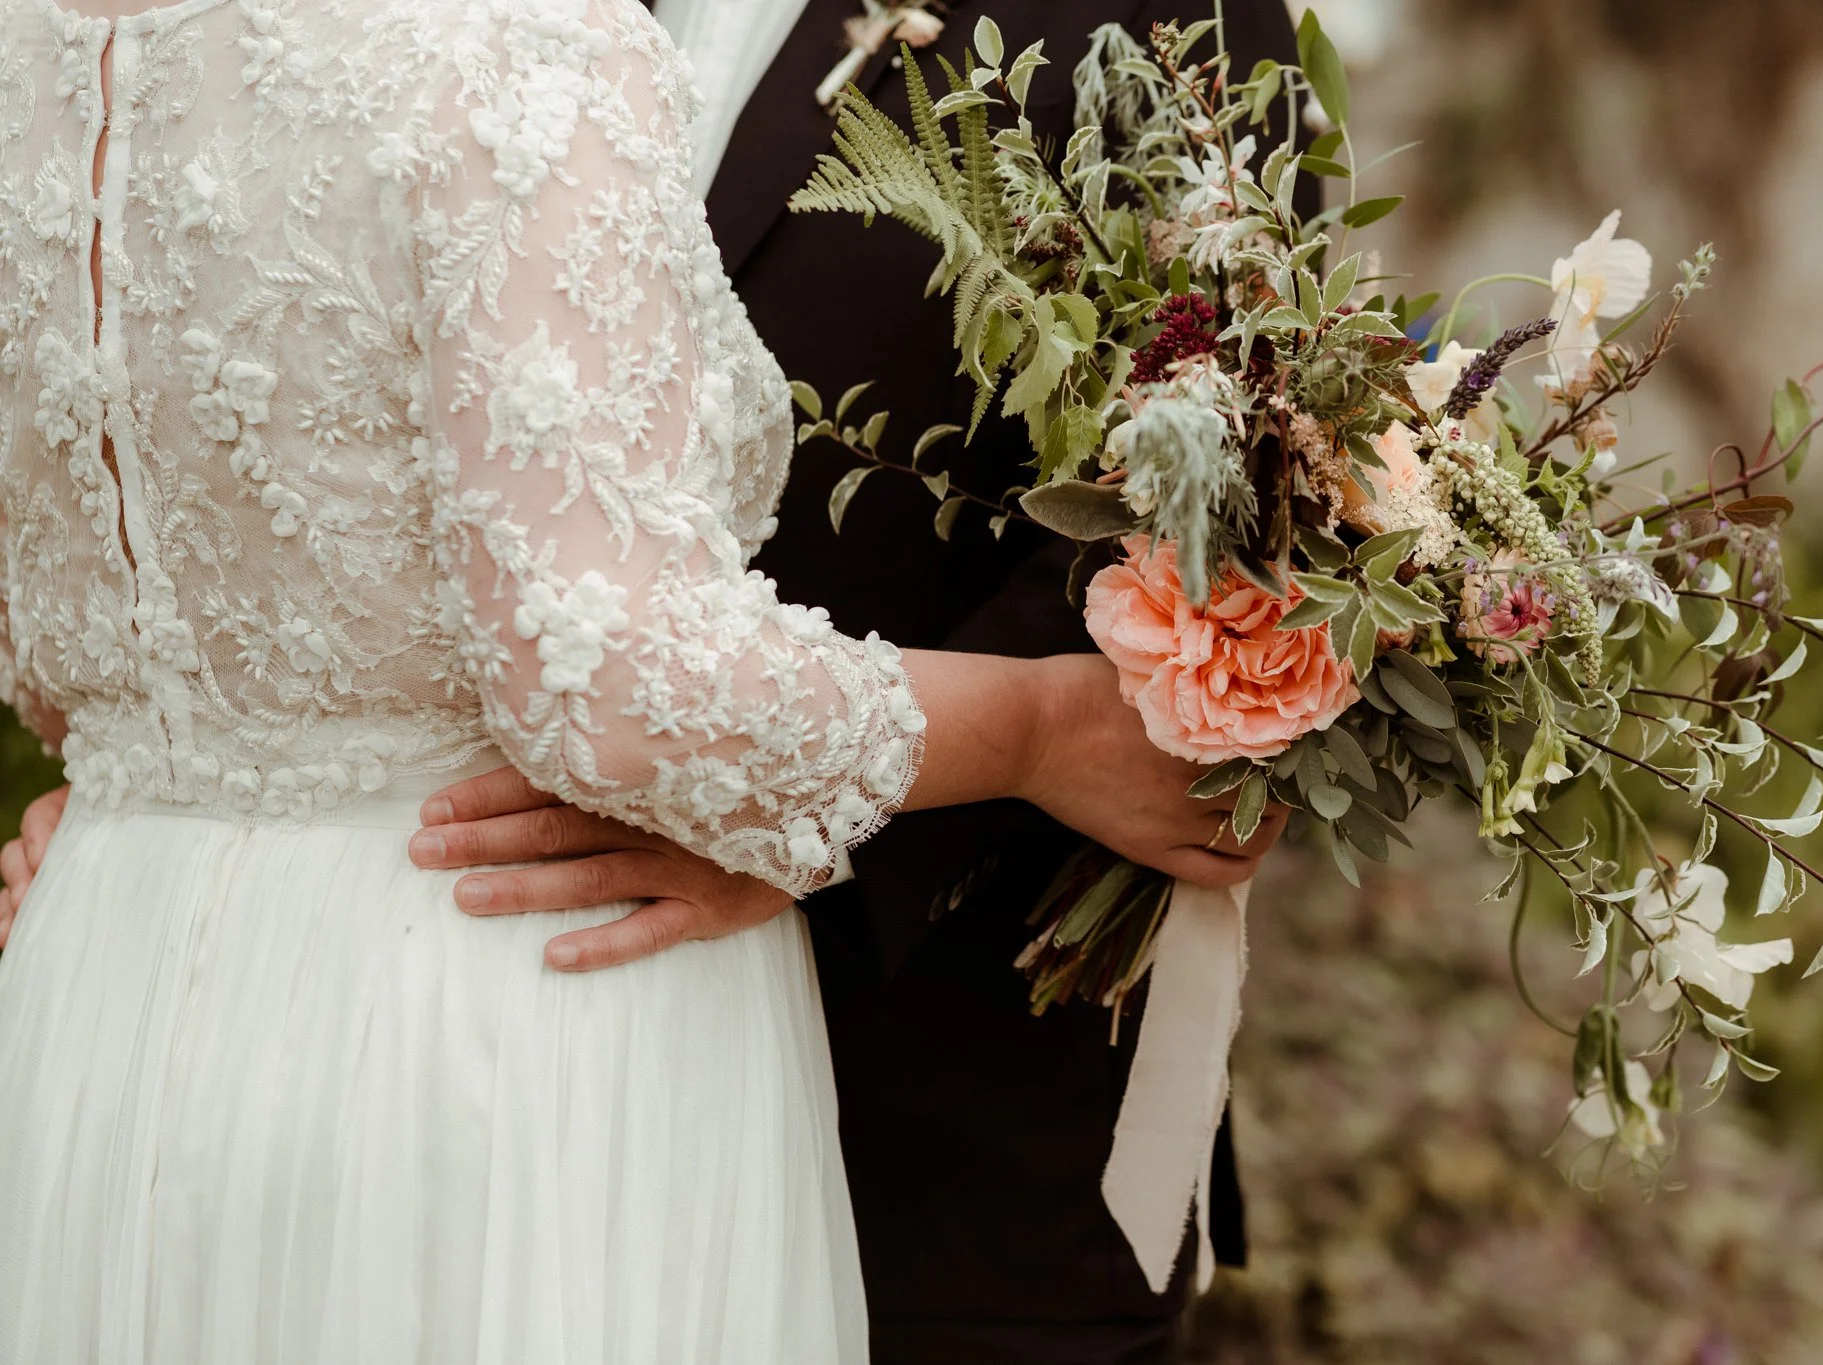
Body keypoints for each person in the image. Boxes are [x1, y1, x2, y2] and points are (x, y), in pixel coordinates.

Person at [0, 0, 1284, 1359]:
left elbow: (1229, 489)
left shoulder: (36, 51)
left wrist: (163, 794)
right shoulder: (523, 35)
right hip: (501, 1030)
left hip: (115, 1002)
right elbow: (616, 688)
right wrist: (1025, 731)